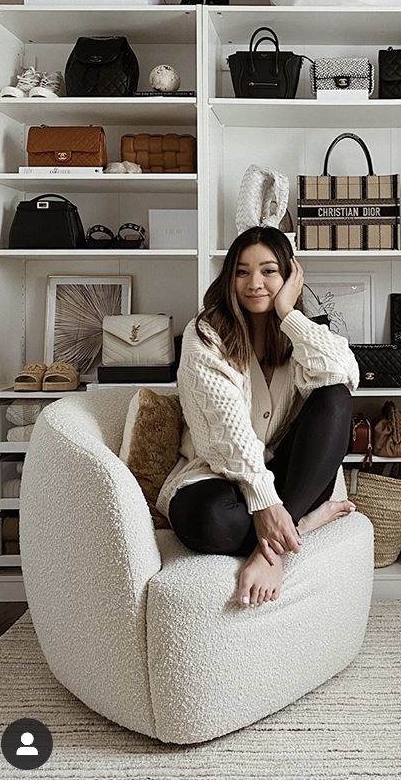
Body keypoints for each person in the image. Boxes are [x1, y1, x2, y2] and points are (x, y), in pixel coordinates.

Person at [155, 226, 360, 609]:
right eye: (242, 271)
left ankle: (274, 548)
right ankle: (305, 524)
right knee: (207, 521)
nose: (255, 283)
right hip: (219, 475)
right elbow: (227, 432)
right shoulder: (205, 335)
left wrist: (288, 314)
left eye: (269, 271)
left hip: (289, 478)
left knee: (335, 397)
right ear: (229, 277)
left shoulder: (301, 335)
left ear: (289, 277)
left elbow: (346, 375)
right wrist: (266, 505)